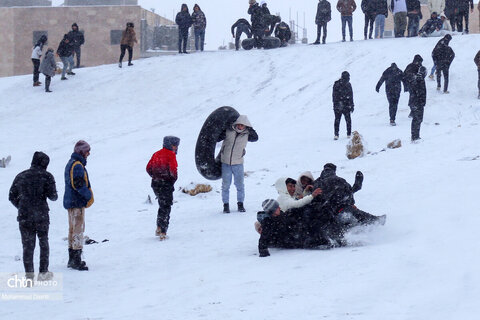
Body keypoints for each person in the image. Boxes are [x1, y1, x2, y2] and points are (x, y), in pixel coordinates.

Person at [9, 152, 58, 282]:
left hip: (25, 216)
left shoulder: (20, 176)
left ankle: (29, 277)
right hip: (41, 215)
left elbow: (11, 196)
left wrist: (21, 206)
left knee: (27, 246)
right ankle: (43, 274)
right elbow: (53, 197)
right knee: (43, 242)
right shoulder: (47, 176)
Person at [312, 163, 385, 228]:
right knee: (354, 213)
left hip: (325, 211)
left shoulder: (317, 182)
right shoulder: (339, 179)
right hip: (340, 207)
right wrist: (351, 203)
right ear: (334, 171)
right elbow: (347, 192)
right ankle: (374, 221)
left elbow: (314, 197)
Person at [63, 140, 94, 271]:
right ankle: (76, 259)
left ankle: (72, 258)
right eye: (87, 150)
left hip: (71, 201)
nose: (89, 153)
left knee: (72, 229)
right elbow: (78, 184)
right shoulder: (77, 165)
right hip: (77, 202)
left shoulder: (71, 163)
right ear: (81, 151)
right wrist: (88, 196)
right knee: (77, 230)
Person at [219, 115, 258, 213]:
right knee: (225, 185)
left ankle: (240, 204)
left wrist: (250, 128)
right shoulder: (229, 131)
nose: (240, 127)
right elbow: (217, 138)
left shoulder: (247, 134)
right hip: (226, 163)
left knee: (239, 185)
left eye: (243, 125)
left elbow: (256, 138)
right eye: (239, 124)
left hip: (238, 163)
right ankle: (226, 205)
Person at [146, 136, 180, 241]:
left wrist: (155, 176)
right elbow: (173, 171)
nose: (176, 148)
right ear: (170, 145)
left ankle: (159, 227)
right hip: (166, 184)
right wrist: (171, 180)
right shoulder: (171, 155)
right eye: (175, 145)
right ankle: (163, 232)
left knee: (162, 204)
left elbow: (148, 168)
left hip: (155, 183)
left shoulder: (156, 154)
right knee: (166, 206)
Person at [404, 58, 427, 141]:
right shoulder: (419, 80)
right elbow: (419, 91)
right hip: (417, 102)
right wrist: (421, 101)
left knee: (417, 119)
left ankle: (415, 136)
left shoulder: (416, 78)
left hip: (415, 101)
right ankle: (415, 136)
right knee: (417, 119)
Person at [332, 71, 354, 140]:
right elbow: (334, 96)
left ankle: (345, 134)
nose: (348, 79)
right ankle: (340, 134)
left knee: (343, 119)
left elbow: (351, 96)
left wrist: (352, 105)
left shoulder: (346, 84)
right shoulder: (338, 84)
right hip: (342, 105)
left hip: (343, 105)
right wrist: (336, 104)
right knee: (341, 120)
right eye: (348, 77)